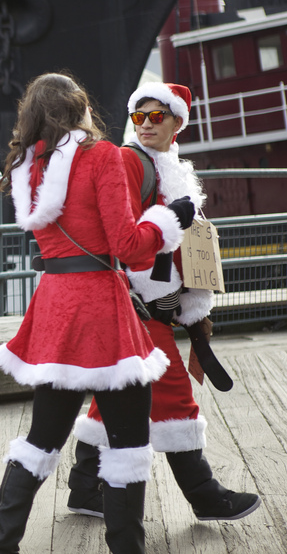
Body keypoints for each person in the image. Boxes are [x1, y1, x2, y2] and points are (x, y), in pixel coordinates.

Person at [0, 73, 195, 554]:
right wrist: (170, 219)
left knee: (42, 438)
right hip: (101, 308)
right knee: (128, 442)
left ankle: (0, 546)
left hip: (55, 305)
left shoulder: (27, 164)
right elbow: (129, 247)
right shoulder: (98, 156)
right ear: (79, 108)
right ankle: (126, 546)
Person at [65, 82, 260, 522]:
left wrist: (191, 308)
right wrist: (157, 298)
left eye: (158, 116)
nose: (147, 124)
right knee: (173, 395)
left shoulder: (164, 166)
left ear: (177, 123)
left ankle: (84, 486)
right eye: (139, 117)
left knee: (115, 394)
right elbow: (122, 237)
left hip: (142, 304)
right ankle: (205, 495)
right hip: (136, 304)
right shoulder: (131, 162)